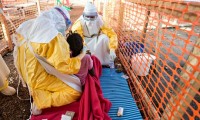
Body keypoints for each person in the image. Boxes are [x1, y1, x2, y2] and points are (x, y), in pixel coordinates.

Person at [13, 6, 86, 115]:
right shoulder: (52, 36)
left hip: (26, 72)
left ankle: (38, 92)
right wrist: (81, 55)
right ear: (61, 21)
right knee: (75, 91)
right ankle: (41, 101)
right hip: (38, 76)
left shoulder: (30, 24)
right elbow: (65, 67)